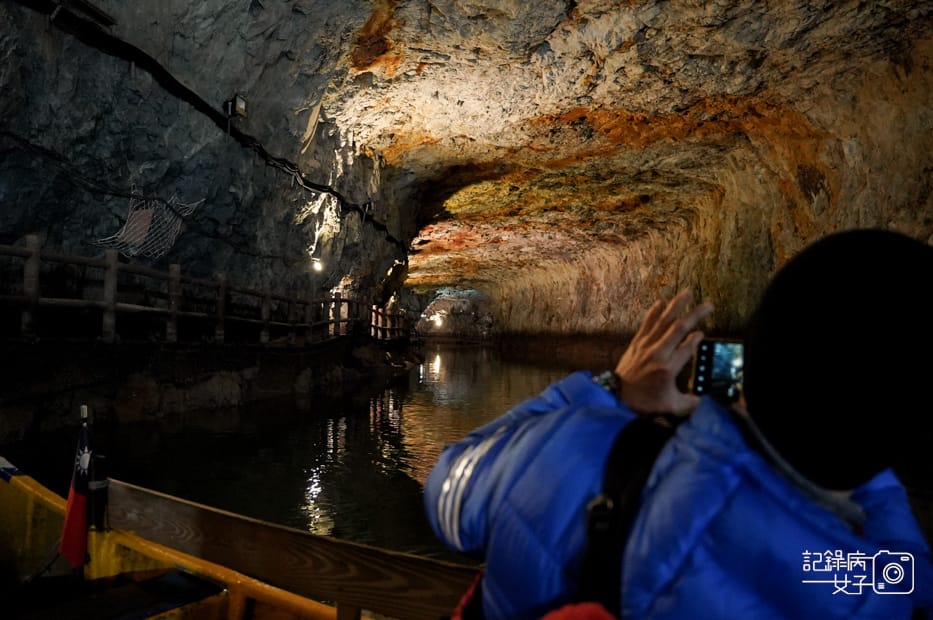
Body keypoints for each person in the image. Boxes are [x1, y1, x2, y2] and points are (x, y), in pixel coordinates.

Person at [423, 228, 933, 619]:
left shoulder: (568, 449)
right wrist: (873, 466)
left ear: (753, 356)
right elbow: (908, 569)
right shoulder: (867, 583)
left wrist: (609, 391)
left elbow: (447, 490)